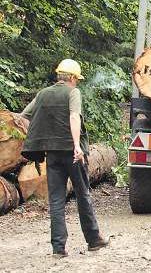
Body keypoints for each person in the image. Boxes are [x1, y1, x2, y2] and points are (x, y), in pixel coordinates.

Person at [18, 59, 109, 257]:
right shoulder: (72, 92)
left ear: (59, 75)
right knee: (83, 194)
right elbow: (74, 116)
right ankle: (93, 240)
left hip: (52, 154)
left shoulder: (43, 94)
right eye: (77, 79)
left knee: (57, 200)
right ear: (73, 78)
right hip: (72, 154)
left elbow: (24, 116)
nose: (77, 83)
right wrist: (76, 146)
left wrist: (41, 138)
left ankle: (58, 248)